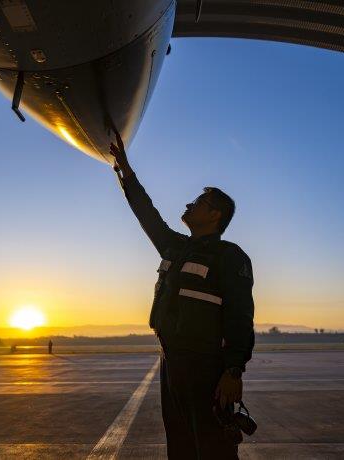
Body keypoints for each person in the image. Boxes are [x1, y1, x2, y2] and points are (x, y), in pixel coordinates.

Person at [108, 133, 255, 459]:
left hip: (207, 367)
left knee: (213, 444)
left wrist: (233, 371)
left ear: (216, 215)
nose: (189, 205)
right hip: (172, 362)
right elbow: (147, 214)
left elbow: (240, 316)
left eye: (199, 203)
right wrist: (126, 173)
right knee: (180, 443)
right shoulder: (175, 247)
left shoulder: (230, 257)